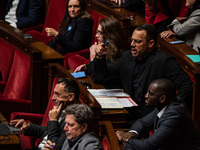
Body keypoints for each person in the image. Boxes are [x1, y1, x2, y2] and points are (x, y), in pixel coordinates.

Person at [91, 24, 193, 125]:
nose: (132, 44)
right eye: (131, 40)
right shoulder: (127, 57)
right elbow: (102, 76)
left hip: (152, 117)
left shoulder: (164, 61)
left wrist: (168, 110)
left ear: (151, 43)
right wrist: (100, 57)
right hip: (128, 113)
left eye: (137, 41)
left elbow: (186, 87)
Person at [116, 79, 200, 150]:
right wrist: (132, 134)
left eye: (150, 93)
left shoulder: (174, 115)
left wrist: (124, 138)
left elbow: (148, 145)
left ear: (162, 98)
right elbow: (142, 122)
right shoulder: (164, 105)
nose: (146, 96)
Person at [10, 78, 80, 150]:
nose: (53, 98)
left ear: (71, 97)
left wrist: (53, 121)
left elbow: (54, 147)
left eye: (57, 94)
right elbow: (50, 130)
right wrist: (28, 126)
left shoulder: (75, 121)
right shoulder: (65, 109)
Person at [74, 17, 124, 88]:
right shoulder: (105, 49)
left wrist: (93, 57)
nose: (96, 36)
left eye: (100, 33)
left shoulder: (117, 54)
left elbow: (97, 79)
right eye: (97, 32)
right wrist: (87, 67)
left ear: (109, 35)